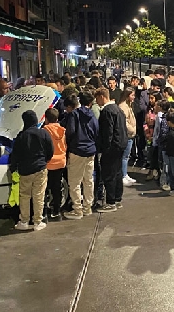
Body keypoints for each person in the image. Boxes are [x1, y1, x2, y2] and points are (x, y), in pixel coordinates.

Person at [9, 110, 54, 232]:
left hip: (25, 170)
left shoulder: (21, 136)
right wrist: (45, 160)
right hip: (40, 169)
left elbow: (15, 155)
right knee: (39, 196)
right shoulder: (43, 133)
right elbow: (50, 150)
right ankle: (37, 222)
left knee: (24, 196)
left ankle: (24, 221)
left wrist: (13, 168)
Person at [63, 91, 99, 219]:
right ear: (90, 102)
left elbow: (70, 132)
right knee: (88, 180)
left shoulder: (74, 114)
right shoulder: (93, 115)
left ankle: (77, 209)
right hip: (90, 150)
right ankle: (87, 207)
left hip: (77, 151)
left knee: (74, 182)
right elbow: (96, 131)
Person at [95, 87, 128, 212]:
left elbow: (107, 132)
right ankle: (117, 198)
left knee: (109, 174)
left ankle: (110, 201)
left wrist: (104, 148)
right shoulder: (118, 109)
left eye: (97, 99)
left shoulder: (107, 111)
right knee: (118, 173)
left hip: (111, 147)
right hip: (120, 144)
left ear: (102, 97)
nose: (97, 102)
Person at [43, 108, 67, 221]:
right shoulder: (62, 130)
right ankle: (57, 211)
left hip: (49, 163)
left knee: (45, 188)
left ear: (46, 119)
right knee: (57, 187)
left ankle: (45, 211)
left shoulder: (45, 131)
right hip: (61, 161)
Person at [118, 87, 137, 185]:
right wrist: (132, 129)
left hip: (130, 135)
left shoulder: (129, 105)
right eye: (132, 95)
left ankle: (125, 174)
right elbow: (124, 122)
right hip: (127, 134)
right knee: (124, 156)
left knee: (126, 156)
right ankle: (123, 175)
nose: (134, 97)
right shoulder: (123, 107)